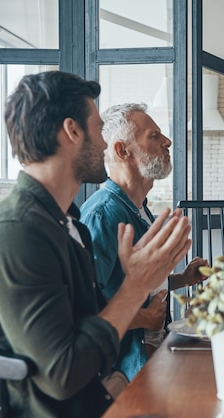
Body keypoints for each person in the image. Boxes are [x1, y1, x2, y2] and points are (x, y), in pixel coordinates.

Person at [0, 71, 192, 418]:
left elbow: (95, 319)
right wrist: (136, 285)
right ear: (73, 131)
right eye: (98, 128)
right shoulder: (19, 230)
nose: (105, 145)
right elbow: (63, 375)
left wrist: (117, 380)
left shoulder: (68, 222)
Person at [80, 103, 208, 381]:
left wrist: (181, 279)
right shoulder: (102, 216)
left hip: (154, 353)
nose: (168, 141)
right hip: (124, 372)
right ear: (122, 151)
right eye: (154, 136)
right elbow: (86, 308)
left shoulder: (139, 208)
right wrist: (143, 319)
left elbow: (133, 283)